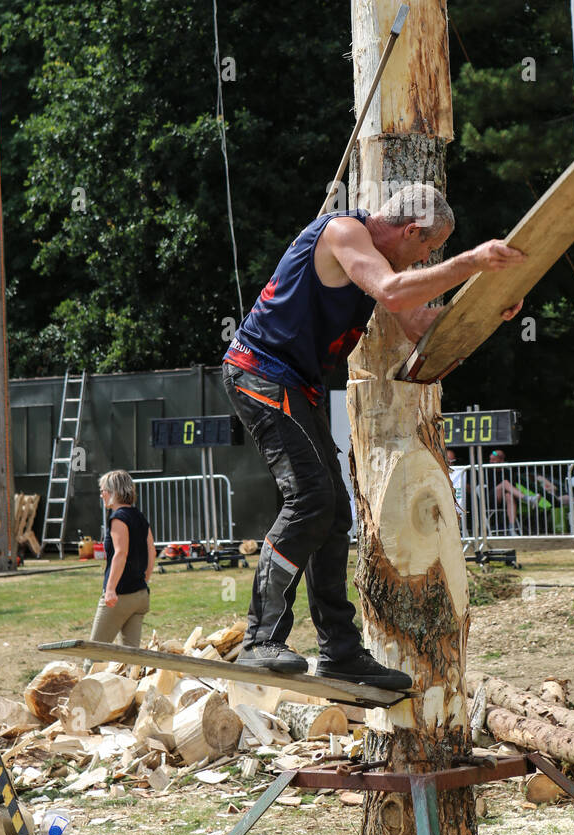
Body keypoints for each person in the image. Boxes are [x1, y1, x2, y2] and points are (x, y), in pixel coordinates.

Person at [222, 185, 524, 688]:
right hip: (261, 372)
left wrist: (487, 309)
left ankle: (339, 651)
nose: (425, 260)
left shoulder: (378, 265)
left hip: (299, 386)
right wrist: (471, 262)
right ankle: (260, 637)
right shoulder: (344, 233)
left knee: (334, 513)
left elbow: (417, 323)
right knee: (311, 500)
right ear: (409, 231)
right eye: (426, 251)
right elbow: (394, 293)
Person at [88, 469, 156, 657]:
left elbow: (120, 554)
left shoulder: (119, 518)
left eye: (103, 490)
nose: (101, 495)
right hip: (140, 596)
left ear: (112, 492)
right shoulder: (139, 516)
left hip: (120, 596)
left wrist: (110, 590)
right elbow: (152, 551)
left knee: (95, 654)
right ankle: (132, 685)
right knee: (130, 658)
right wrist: (144, 579)